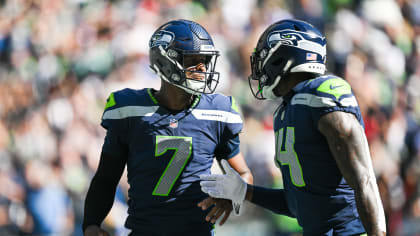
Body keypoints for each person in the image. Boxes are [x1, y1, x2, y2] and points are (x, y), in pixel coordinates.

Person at [200, 19, 387, 236]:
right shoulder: (285, 112)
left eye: (265, 58)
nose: (260, 68)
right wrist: (245, 192)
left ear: (283, 57)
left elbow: (364, 179)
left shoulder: (323, 93)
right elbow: (297, 205)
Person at [82, 19, 253, 236]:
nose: (201, 68)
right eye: (193, 60)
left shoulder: (218, 112)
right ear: (165, 62)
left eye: (205, 61)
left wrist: (232, 195)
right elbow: (106, 178)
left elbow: (244, 174)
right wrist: (91, 224)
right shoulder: (131, 111)